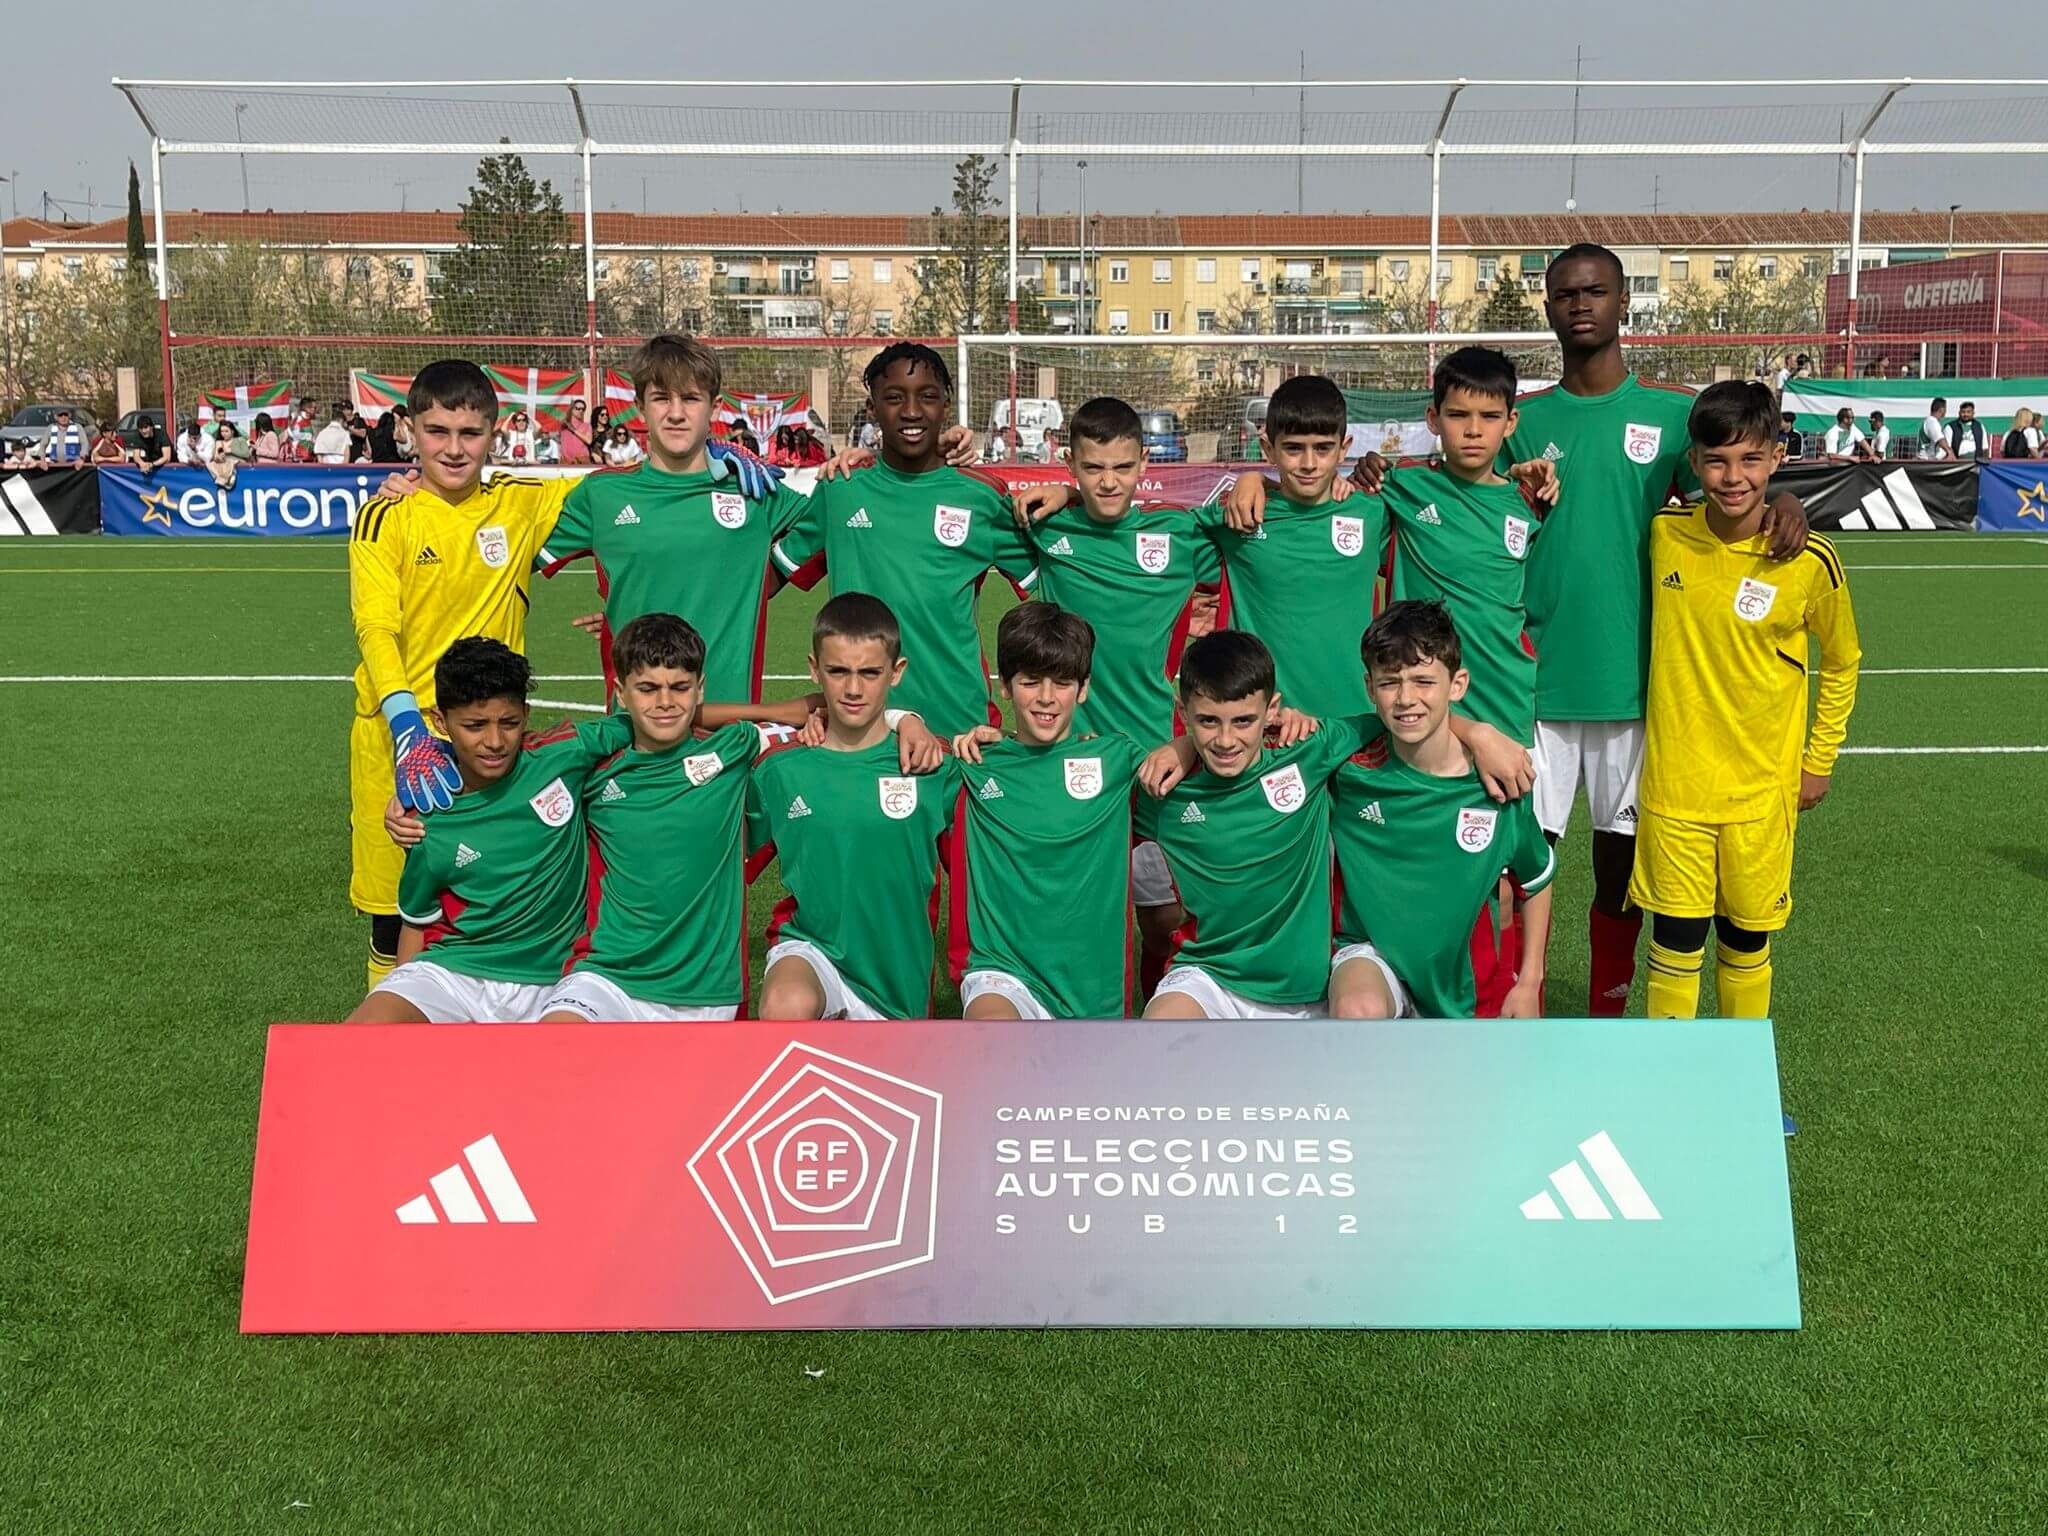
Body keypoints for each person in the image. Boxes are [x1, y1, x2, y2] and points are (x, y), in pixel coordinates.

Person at [345, 359, 584, 989]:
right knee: (394, 912)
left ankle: (484, 1042)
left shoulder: (520, 503)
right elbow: (376, 629)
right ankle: (392, 1039)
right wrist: (405, 729)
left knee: (491, 904)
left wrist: (716, 457)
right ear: (410, 430)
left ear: (494, 431)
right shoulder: (383, 517)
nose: (453, 448)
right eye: (437, 431)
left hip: (487, 738)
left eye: (469, 433)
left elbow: (621, 487)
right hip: (403, 735)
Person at [1632, 381, 1860, 1028]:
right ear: (1695, 462)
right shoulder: (1665, 534)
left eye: (1751, 460)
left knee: (1746, 943)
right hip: (1676, 788)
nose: (1734, 477)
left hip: (1762, 792)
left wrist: (1820, 758)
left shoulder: (1810, 560)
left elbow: (1843, 661)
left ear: (1778, 456)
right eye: (1717, 460)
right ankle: (1668, 1087)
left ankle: (1746, 1093)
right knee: (1673, 946)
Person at [1003, 396, 1224, 996]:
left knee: (1165, 918)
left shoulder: (1175, 533)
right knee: (1071, 915)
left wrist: (1256, 477)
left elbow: (1249, 530)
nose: (1108, 481)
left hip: (1155, 757)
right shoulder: (1046, 528)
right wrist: (1064, 497)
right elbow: (968, 496)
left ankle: (1156, 1024)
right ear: (1069, 462)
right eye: (1092, 468)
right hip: (1068, 759)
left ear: (1143, 464)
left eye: (1122, 468)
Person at [537, 333, 832, 711]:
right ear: (640, 408)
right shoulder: (600, 495)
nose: (676, 413)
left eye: (691, 398)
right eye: (661, 398)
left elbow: (836, 514)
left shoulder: (755, 491)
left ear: (715, 408)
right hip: (633, 739)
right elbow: (509, 552)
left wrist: (767, 577)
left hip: (727, 737)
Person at [345, 638, 632, 1024]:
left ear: (526, 715)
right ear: (440, 722)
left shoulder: (563, 755)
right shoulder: (425, 813)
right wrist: (398, 991)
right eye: (475, 726)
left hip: (555, 983)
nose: (495, 741)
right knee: (362, 1035)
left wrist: (743, 717)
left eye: (509, 723)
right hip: (454, 975)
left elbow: (653, 720)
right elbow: (417, 921)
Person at [770, 343, 1040, 737]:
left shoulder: (981, 497)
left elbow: (1056, 577)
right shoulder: (841, 489)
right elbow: (773, 573)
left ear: (946, 405)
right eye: (894, 398)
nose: (912, 411)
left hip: (960, 729)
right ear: (873, 407)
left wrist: (1071, 494)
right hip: (863, 731)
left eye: (927, 397)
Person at [1129, 630, 1381, 1020]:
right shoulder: (1162, 787)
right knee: (1161, 1035)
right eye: (1208, 721)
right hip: (1209, 978)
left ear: (1272, 709)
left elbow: (1392, 724)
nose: (1226, 740)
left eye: (1244, 721)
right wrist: (1179, 747)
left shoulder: (1308, 752)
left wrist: (1478, 735)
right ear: (1183, 713)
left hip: (1307, 989)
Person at [1328, 601, 1556, 1020]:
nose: (1405, 698)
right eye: (1389, 682)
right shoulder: (1346, 764)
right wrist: (1181, 745)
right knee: (1356, 1010)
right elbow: (1240, 736)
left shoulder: (1496, 785)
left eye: (1423, 681)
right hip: (1370, 959)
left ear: (1458, 684)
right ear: (1368, 686)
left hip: (1466, 994)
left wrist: (1529, 982)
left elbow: (1537, 878)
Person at [747, 594, 952, 1020]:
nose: (853, 688)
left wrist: (906, 720)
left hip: (898, 987)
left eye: (870, 673)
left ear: (896, 673)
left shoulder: (932, 764)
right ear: (814, 668)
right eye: (838, 672)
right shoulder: (782, 770)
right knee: (787, 1003)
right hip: (811, 951)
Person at [947, 604, 1143, 1019]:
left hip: (1092, 990)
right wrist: (903, 718)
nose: (1047, 698)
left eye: (1063, 683)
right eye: (1030, 682)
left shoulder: (1116, 759)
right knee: (991, 1040)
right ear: (1006, 686)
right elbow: (884, 751)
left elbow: (1201, 765)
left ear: (1084, 688)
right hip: (1002, 975)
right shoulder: (976, 762)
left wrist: (1181, 747)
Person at [555, 399, 595, 465]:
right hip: (566, 461)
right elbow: (559, 441)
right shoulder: (563, 425)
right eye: (578, 408)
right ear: (572, 409)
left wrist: (573, 429)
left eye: (583, 409)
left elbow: (589, 441)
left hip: (582, 460)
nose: (581, 411)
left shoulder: (587, 425)